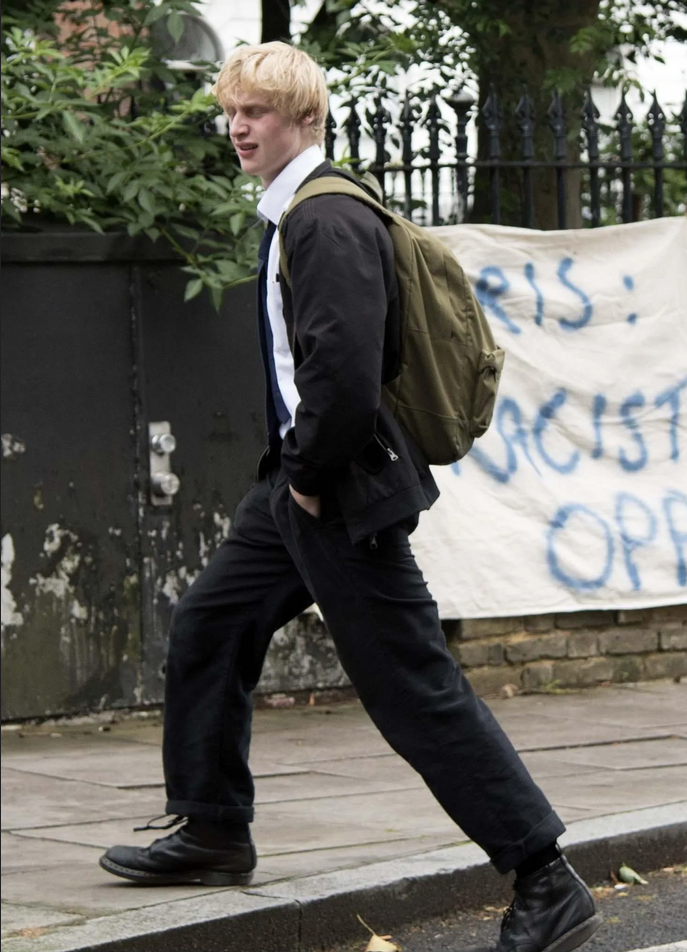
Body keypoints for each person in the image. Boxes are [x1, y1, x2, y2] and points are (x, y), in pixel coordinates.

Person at [98, 42, 601, 952]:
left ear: (301, 118)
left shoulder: (323, 221)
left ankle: (544, 876)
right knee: (209, 628)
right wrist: (290, 484)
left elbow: (345, 376)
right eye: (232, 111)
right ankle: (212, 827)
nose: (237, 127)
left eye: (255, 112)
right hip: (295, 491)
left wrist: (311, 482)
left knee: (413, 688)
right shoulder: (297, 212)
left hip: (338, 490)